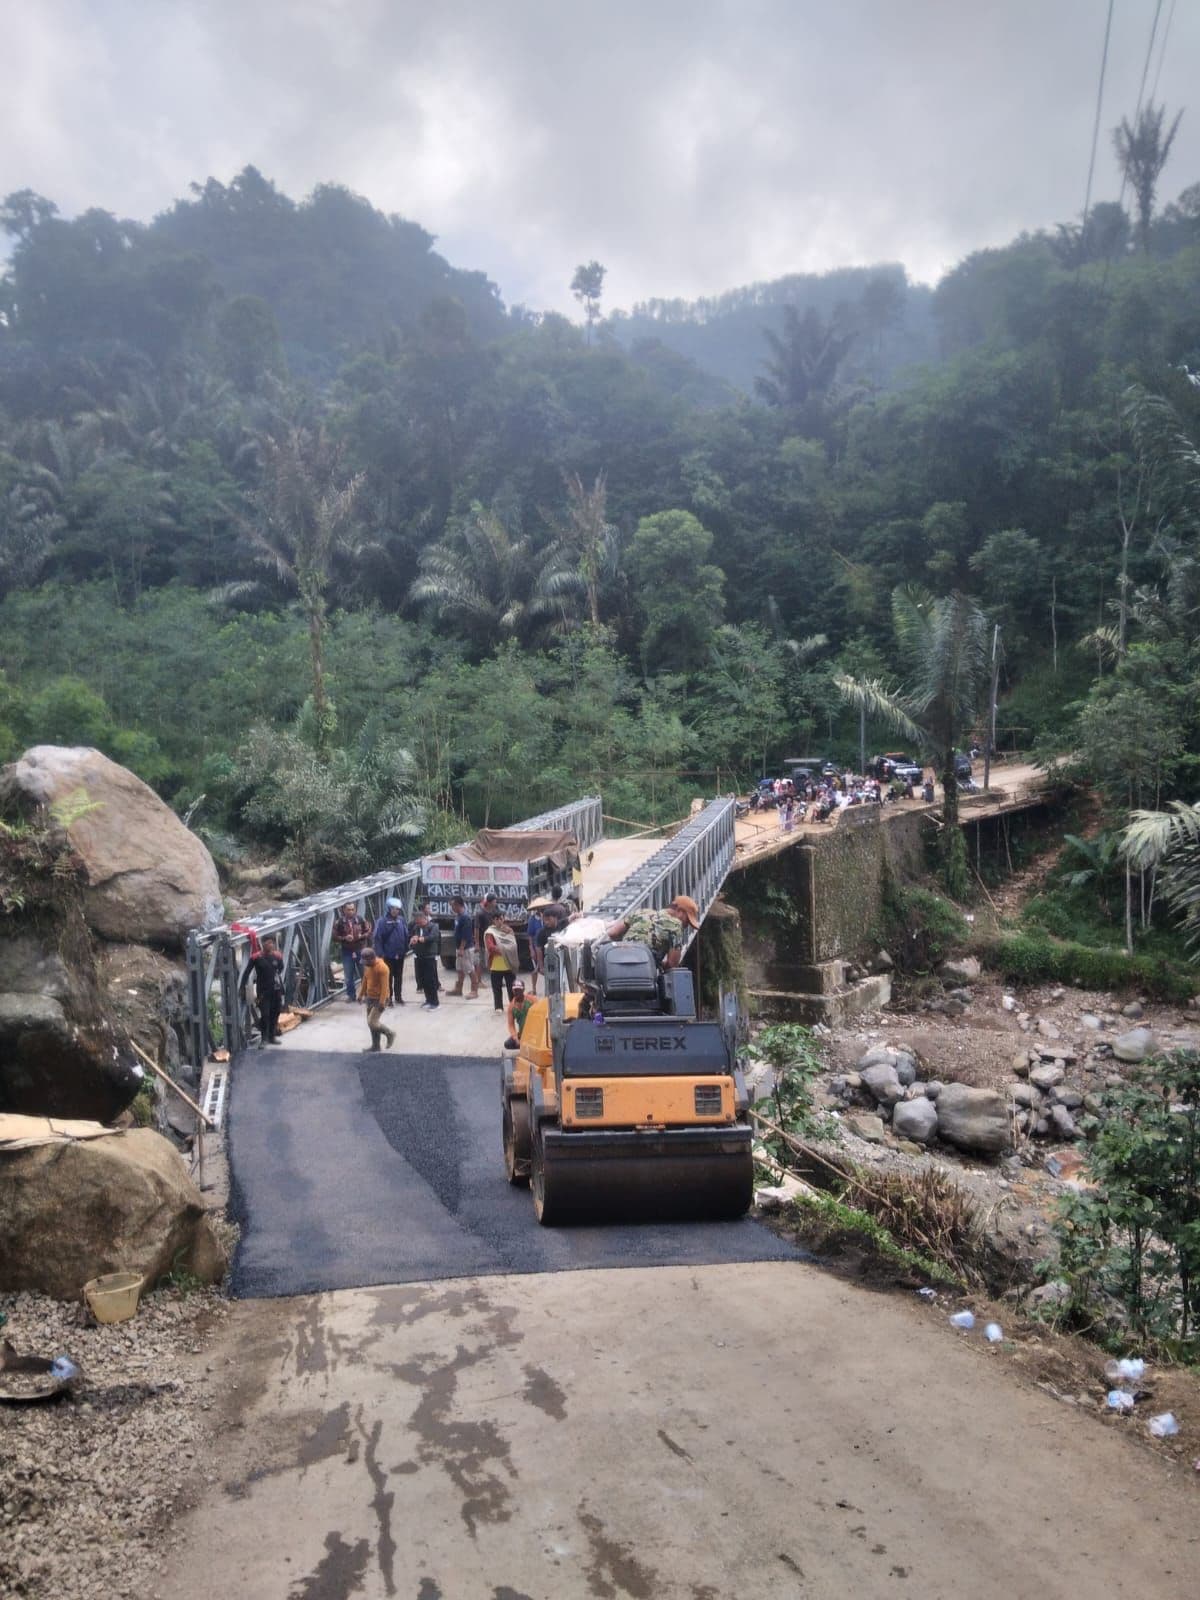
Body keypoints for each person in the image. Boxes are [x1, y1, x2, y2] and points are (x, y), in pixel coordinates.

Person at [605, 894, 699, 969]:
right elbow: (672, 965)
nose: (686, 926)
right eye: (687, 921)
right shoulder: (676, 926)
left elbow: (613, 933)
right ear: (679, 911)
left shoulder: (641, 912)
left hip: (618, 962)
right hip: (643, 969)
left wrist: (626, 944)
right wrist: (660, 964)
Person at [241, 934, 285, 1048]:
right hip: (263, 992)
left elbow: (281, 968)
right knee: (265, 1014)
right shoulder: (256, 957)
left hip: (276, 990)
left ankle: (272, 1036)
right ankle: (264, 1038)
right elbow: (246, 972)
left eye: (272, 943)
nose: (271, 945)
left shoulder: (277, 956)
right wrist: (242, 987)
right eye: (268, 943)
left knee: (276, 1012)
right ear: (263, 943)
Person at [332, 900, 371, 1002]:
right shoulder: (339, 922)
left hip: (360, 949)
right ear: (344, 910)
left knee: (364, 973)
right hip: (347, 951)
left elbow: (368, 930)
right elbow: (335, 936)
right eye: (348, 910)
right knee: (348, 975)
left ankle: (366, 994)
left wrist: (361, 936)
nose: (351, 912)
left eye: (353, 909)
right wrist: (344, 938)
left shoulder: (360, 919)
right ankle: (351, 995)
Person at [373, 898, 409, 1005]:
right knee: (388, 978)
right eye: (393, 909)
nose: (395, 911)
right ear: (388, 909)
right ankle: (388, 998)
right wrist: (380, 954)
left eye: (397, 909)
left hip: (400, 954)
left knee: (399, 977)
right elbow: (377, 938)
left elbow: (406, 934)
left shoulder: (401, 920)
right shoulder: (382, 921)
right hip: (387, 955)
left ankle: (398, 997)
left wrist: (406, 948)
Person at [359, 951, 395, 1052]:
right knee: (371, 1024)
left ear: (372, 959)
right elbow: (365, 981)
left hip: (380, 999)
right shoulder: (367, 967)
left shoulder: (382, 968)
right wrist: (361, 994)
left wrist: (382, 1002)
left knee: (372, 1022)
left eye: (365, 961)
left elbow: (385, 987)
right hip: (370, 998)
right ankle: (376, 1046)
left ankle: (390, 1033)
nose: (364, 964)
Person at [484, 910, 520, 1009]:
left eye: (501, 918)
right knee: (497, 989)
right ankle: (498, 1008)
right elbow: (490, 947)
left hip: (509, 965)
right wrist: (505, 950)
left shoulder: (509, 930)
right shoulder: (490, 932)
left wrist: (504, 949)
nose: (499, 921)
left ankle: (513, 1006)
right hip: (496, 966)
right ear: (493, 920)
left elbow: (513, 945)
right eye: (497, 919)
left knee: (512, 989)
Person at [408, 910, 441, 1010]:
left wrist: (423, 939)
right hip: (419, 956)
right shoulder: (416, 928)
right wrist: (413, 940)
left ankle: (435, 1002)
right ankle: (428, 1000)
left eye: (419, 921)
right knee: (423, 980)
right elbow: (414, 937)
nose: (418, 924)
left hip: (429, 956)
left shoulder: (433, 926)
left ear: (424, 919)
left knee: (430, 980)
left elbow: (433, 937)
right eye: (416, 922)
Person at [449, 896, 478, 998]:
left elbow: (466, 935)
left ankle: (474, 991)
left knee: (470, 969)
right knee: (459, 969)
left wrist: (461, 948)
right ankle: (458, 989)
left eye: (452, 905)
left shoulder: (465, 917)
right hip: (459, 948)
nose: (451, 908)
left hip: (465, 948)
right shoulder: (458, 916)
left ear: (458, 905)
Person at [503, 979, 533, 1050]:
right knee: (508, 1044)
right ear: (512, 990)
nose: (517, 992)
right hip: (522, 1033)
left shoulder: (532, 1000)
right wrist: (515, 1038)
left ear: (523, 990)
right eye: (515, 990)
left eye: (519, 990)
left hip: (534, 1032)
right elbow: (511, 1025)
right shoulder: (511, 1007)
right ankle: (524, 1044)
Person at [525, 906, 544, 994]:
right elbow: (530, 935)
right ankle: (534, 989)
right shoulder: (532, 919)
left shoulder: (546, 917)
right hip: (536, 947)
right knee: (534, 970)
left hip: (545, 947)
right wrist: (531, 949)